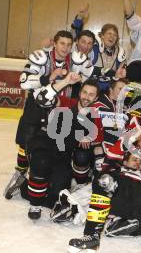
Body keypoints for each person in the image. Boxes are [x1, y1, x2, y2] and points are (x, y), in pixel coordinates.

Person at [4, 31, 92, 200]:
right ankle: (20, 174)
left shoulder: (77, 59)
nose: (65, 48)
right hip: (38, 104)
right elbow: (23, 82)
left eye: (68, 44)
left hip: (62, 106)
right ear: (54, 44)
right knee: (25, 140)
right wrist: (47, 78)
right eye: (61, 44)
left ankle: (55, 176)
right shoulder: (41, 57)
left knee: (59, 144)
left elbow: (90, 77)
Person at [23, 74, 102, 220]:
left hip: (62, 157)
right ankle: (35, 204)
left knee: (58, 194)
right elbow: (42, 99)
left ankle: (32, 184)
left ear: (96, 99)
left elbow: (97, 144)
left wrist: (89, 140)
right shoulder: (66, 102)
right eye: (84, 92)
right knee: (41, 164)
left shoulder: (94, 118)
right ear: (79, 93)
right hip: (44, 146)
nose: (86, 97)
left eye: (91, 95)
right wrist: (65, 81)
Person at [70, 4, 127, 91]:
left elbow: (122, 76)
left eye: (115, 35)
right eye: (109, 33)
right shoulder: (93, 47)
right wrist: (79, 18)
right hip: (90, 88)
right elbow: (77, 36)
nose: (112, 37)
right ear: (102, 35)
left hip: (109, 90)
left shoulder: (120, 53)